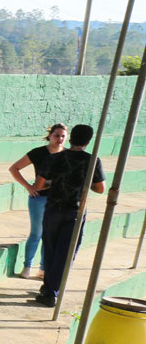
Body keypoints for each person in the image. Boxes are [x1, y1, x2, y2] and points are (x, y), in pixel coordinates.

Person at [34, 124, 107, 307]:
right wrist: (83, 182)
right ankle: (52, 290)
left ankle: (49, 289)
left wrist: (54, 182)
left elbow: (39, 185)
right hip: (75, 210)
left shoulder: (54, 158)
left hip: (53, 208)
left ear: (71, 138)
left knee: (50, 249)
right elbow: (100, 188)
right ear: (88, 142)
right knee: (66, 252)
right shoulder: (92, 161)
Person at [9, 123, 67, 279]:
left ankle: (43, 268)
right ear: (50, 136)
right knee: (36, 233)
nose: (60, 139)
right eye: (56, 135)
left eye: (63, 136)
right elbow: (14, 168)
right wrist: (28, 186)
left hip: (58, 199)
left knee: (50, 234)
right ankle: (27, 266)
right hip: (39, 197)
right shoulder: (38, 153)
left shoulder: (67, 155)